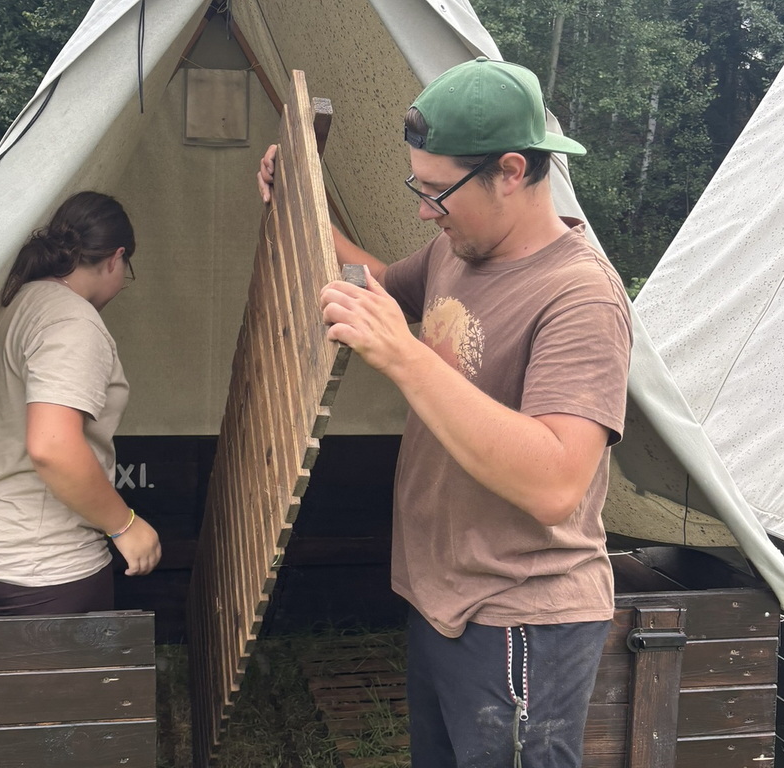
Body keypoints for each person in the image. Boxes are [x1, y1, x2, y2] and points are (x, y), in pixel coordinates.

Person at [258, 58, 632, 767]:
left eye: (438, 192)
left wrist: (404, 356)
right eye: (419, 186)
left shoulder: (580, 296)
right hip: (445, 601)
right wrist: (302, 211)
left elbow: (556, 483)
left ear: (511, 171)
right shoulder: (456, 250)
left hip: (521, 618)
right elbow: (375, 284)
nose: (424, 210)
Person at [0, 191, 161, 616]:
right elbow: (52, 447)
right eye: (126, 270)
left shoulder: (19, 302)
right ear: (116, 259)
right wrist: (126, 526)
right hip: (41, 562)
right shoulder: (72, 322)